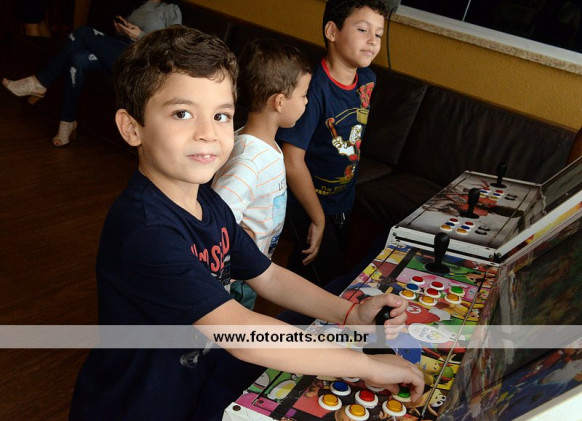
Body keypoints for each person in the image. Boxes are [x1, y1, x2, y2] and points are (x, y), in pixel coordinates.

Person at [68, 26, 424, 420]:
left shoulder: (209, 203)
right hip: (133, 407)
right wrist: (368, 366)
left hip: (189, 387)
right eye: (182, 113)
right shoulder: (147, 231)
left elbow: (268, 275)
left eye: (221, 115)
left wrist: (348, 314)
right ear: (132, 127)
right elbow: (241, 334)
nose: (208, 133)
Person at [276, 0, 389, 286]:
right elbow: (291, 160)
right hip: (308, 203)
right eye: (363, 30)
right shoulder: (313, 89)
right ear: (332, 31)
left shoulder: (367, 79)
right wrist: (318, 218)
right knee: (327, 277)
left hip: (343, 199)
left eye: (378, 34)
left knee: (311, 270)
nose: (373, 40)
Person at [211, 39, 311, 310]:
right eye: (303, 95)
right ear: (279, 101)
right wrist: (238, 243)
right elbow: (218, 217)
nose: (306, 101)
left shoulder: (260, 145)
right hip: (238, 279)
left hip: (251, 269)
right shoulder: (250, 159)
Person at [2, 0, 181, 147]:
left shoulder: (170, 9)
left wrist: (139, 35)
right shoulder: (139, 5)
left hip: (140, 61)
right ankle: (67, 121)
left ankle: (40, 82)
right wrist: (121, 30)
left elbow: (173, 48)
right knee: (78, 59)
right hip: (118, 51)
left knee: (82, 33)